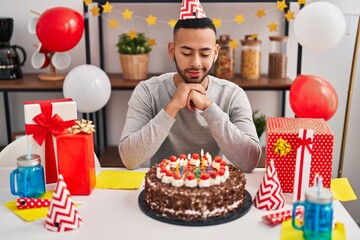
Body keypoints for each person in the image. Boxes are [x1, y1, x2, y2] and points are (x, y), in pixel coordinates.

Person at [119, 1, 261, 173]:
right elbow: (129, 158)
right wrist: (172, 107)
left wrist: (209, 107)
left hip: (213, 191)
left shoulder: (232, 94)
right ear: (172, 51)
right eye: (186, 53)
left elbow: (250, 161)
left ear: (216, 53)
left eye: (205, 53)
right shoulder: (148, 91)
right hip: (163, 191)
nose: (195, 63)